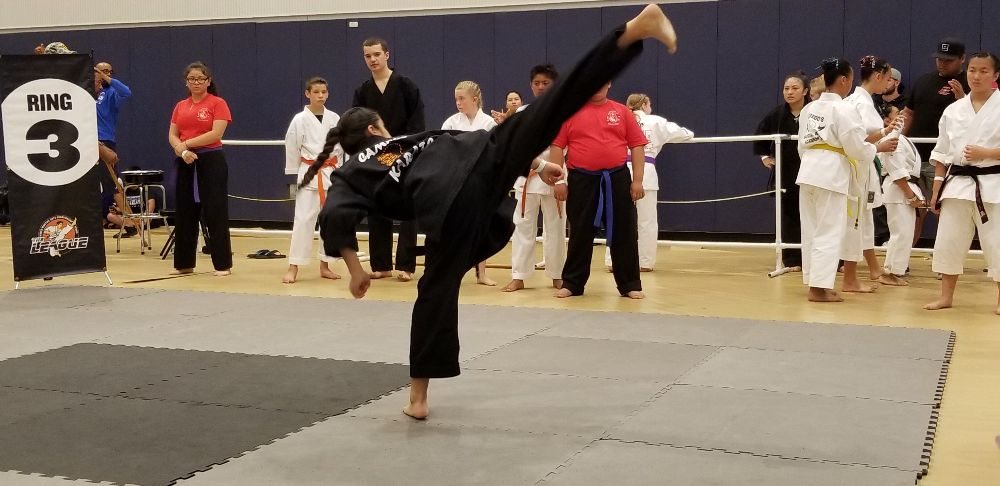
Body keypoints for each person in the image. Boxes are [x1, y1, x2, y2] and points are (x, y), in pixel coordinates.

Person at [309, 3, 676, 419]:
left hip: (449, 204)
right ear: (374, 128)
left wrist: (356, 270)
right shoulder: (410, 139)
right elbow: (459, 145)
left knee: (435, 293)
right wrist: (536, 163)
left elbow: (334, 215)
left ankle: (418, 398)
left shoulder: (351, 171)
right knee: (556, 103)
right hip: (485, 157)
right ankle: (631, 31)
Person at [796, 57, 896, 302]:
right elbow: (856, 147)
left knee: (811, 231)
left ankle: (814, 283)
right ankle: (818, 288)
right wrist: (877, 148)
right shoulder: (844, 109)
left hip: (808, 171)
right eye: (850, 78)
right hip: (831, 174)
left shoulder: (809, 109)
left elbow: (801, 145)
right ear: (843, 80)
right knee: (829, 232)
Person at [550, 80, 648, 299]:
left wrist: (638, 181)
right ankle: (572, 283)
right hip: (582, 180)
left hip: (617, 178)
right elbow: (557, 147)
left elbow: (637, 145)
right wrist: (558, 181)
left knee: (624, 231)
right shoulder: (570, 113)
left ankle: (630, 284)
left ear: (609, 83)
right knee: (580, 232)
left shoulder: (622, 112)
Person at [924, 52, 1000, 313]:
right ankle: (946, 296)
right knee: (949, 240)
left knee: (997, 242)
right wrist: (936, 189)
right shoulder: (953, 110)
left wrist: (987, 153)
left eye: (983, 71)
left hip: (993, 183)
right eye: (972, 70)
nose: (976, 76)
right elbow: (942, 153)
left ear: (996, 75)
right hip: (957, 183)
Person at [352, 37, 425, 282]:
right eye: (367, 56)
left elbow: (417, 123)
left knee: (408, 211)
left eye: (376, 54)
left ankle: (406, 265)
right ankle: (381, 264)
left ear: (387, 55)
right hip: (375, 157)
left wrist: (403, 149)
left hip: (405, 155)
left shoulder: (406, 86)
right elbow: (357, 125)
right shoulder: (362, 91)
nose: (372, 59)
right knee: (377, 209)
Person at [605, 93, 693, 271]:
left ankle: (613, 261)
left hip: (619, 171)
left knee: (618, 218)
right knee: (646, 221)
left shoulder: (618, 120)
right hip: (646, 173)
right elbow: (686, 134)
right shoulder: (656, 122)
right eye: (650, 105)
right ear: (645, 105)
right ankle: (644, 262)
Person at [501, 63, 567, 292]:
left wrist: (560, 179)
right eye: (536, 83)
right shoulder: (522, 112)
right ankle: (519, 276)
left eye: (545, 83)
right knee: (522, 227)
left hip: (555, 175)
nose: (540, 87)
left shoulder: (564, 112)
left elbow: (564, 146)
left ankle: (557, 274)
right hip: (527, 175)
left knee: (555, 228)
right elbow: (514, 145)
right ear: (531, 86)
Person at [167, 62, 233, 277]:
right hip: (186, 160)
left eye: (200, 79)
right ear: (186, 82)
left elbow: (216, 134)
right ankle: (184, 263)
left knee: (215, 210)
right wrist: (181, 150)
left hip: (210, 159)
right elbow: (173, 134)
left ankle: (222, 264)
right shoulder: (180, 106)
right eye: (192, 79)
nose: (196, 82)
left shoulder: (217, 103)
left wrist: (186, 144)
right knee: (185, 211)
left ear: (208, 81)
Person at [904, 38, 970, 247]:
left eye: (948, 60)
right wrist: (898, 139)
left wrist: (962, 99)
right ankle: (903, 256)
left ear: (962, 59)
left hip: (945, 159)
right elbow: (908, 113)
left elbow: (979, 120)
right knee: (913, 209)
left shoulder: (970, 84)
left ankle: (947, 256)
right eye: (939, 59)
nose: (942, 63)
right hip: (915, 157)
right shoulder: (923, 81)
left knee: (943, 208)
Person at [845, 55, 904, 287]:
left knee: (863, 218)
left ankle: (874, 269)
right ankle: (855, 276)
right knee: (858, 219)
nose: (888, 83)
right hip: (859, 166)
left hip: (859, 165)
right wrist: (882, 141)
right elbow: (859, 139)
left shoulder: (855, 100)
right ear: (878, 76)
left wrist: (885, 131)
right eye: (887, 78)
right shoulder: (861, 103)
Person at [283, 77, 343, 284]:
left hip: (331, 173)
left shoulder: (334, 118)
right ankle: (293, 267)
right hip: (309, 173)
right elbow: (292, 146)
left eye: (324, 92)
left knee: (330, 221)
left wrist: (341, 171)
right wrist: (294, 171)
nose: (320, 96)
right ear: (307, 94)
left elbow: (341, 147)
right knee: (302, 221)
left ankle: (325, 265)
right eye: (316, 92)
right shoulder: (299, 119)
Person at [441, 80, 498, 286]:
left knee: (481, 227)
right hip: (455, 179)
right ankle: (451, 271)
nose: (458, 103)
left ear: (475, 99)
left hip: (480, 179)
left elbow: (493, 152)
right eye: (456, 99)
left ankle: (481, 273)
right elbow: (442, 150)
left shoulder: (489, 123)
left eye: (462, 98)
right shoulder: (451, 123)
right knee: (453, 227)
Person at [754, 71, 810, 271]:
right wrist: (765, 156)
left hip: (811, 171)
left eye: (795, 88)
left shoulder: (814, 111)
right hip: (786, 173)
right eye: (786, 88)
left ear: (805, 91)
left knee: (814, 215)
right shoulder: (776, 114)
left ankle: (819, 258)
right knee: (789, 215)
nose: (790, 92)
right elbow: (760, 135)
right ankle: (792, 259)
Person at [878, 105, 924, 281]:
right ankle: (892, 273)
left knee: (904, 232)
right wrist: (909, 194)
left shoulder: (901, 138)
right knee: (901, 232)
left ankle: (894, 270)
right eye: (897, 114)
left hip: (904, 187)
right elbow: (895, 169)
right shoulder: (891, 138)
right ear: (887, 120)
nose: (902, 115)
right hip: (898, 188)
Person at [94, 62, 132, 230]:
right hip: (85, 141)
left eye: (109, 72)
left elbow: (127, 92)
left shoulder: (111, 92)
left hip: (104, 141)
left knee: (112, 182)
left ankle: (130, 222)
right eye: (102, 71)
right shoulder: (87, 91)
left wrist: (104, 77)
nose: (106, 74)